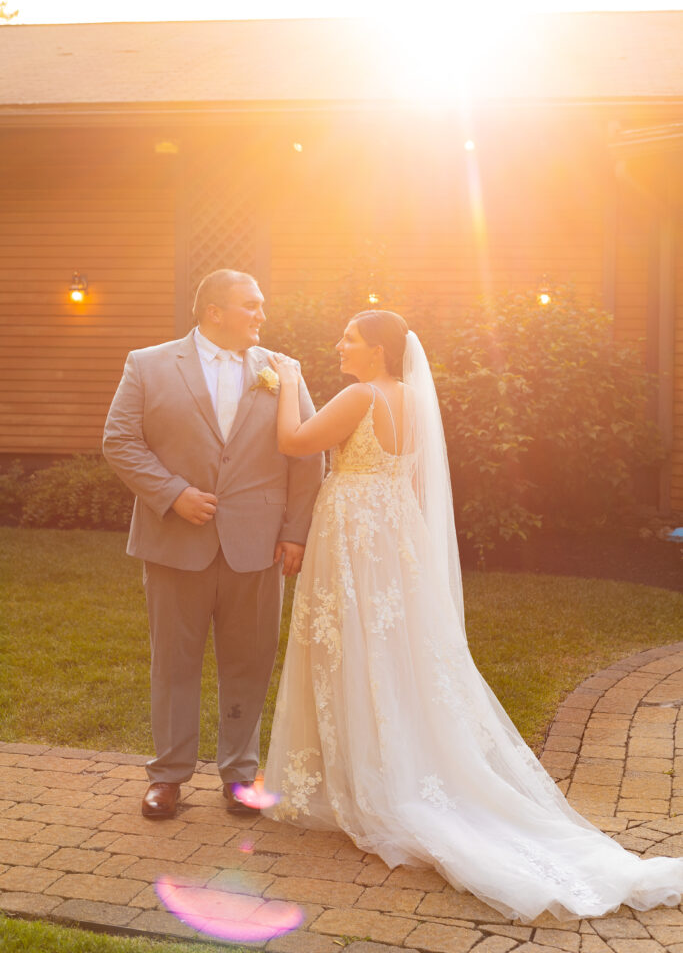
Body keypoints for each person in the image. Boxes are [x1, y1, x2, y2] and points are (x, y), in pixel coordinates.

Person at [263, 309, 683, 922]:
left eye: (349, 337)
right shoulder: (410, 397)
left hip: (354, 532)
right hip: (393, 535)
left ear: (376, 350)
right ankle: (378, 763)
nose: (339, 344)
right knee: (395, 654)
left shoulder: (359, 395)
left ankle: (369, 780)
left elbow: (294, 442)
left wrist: (286, 376)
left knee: (353, 649)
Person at [103, 269, 323, 820]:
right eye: (251, 305)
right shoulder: (148, 364)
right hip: (175, 540)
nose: (262, 315)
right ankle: (169, 776)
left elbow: (307, 452)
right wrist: (172, 494)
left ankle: (240, 773)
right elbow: (119, 439)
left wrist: (296, 530)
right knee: (173, 662)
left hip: (259, 545)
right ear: (213, 311)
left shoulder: (282, 371)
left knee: (249, 661)